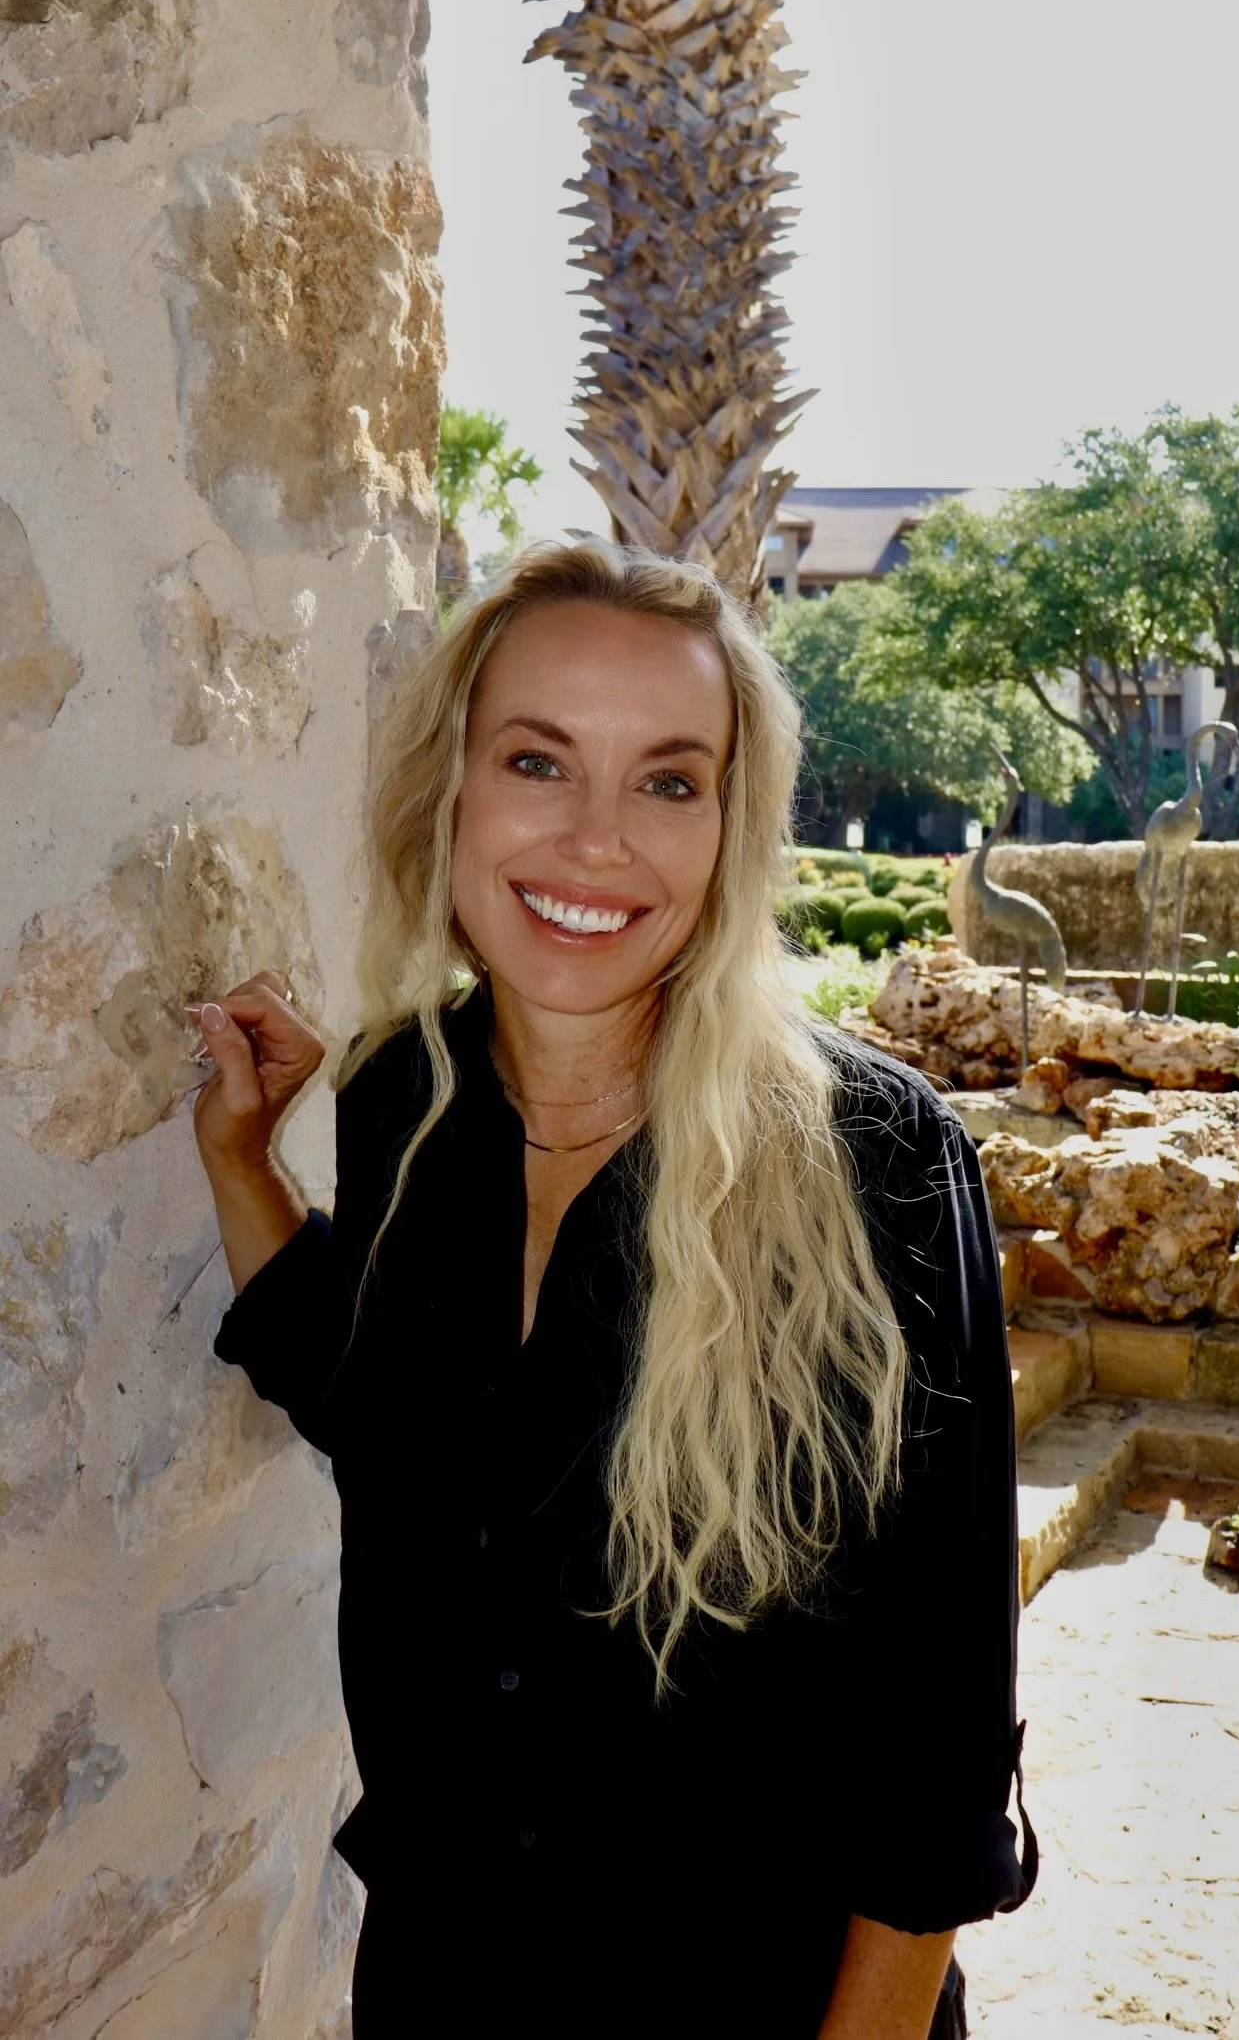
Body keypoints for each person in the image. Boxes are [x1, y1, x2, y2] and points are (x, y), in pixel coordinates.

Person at [188, 541, 1036, 2039]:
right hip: (446, 1980)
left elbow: (937, 1730)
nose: (594, 842)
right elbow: (393, 1423)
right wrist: (247, 1169)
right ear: (448, 792)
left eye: (666, 779)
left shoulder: (873, 1160)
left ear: (729, 828)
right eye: (536, 760)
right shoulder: (404, 1100)